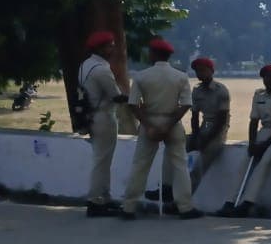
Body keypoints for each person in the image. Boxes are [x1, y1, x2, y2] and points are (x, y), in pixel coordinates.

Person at [119, 38, 202, 220]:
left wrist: (149, 126)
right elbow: (186, 104)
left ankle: (129, 206)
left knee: (140, 164)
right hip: (172, 122)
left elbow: (133, 104)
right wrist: (167, 125)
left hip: (149, 120)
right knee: (180, 165)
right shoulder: (180, 77)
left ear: (154, 54)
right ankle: (185, 207)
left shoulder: (141, 76)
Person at [147, 57, 229, 204]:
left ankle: (181, 200)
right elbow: (195, 116)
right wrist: (196, 136)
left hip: (218, 133)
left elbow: (222, 120)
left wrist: (206, 140)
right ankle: (166, 187)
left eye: (203, 70)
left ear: (212, 71)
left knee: (199, 167)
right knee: (172, 146)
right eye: (197, 71)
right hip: (204, 128)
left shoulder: (221, 91)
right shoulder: (197, 91)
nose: (200, 74)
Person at [217, 64, 271, 217]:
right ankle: (230, 202)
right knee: (244, 164)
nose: (268, 80)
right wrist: (252, 143)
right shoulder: (259, 95)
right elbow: (254, 121)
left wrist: (264, 145)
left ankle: (247, 203)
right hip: (263, 132)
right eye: (265, 77)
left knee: (264, 163)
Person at [80, 31, 128, 217]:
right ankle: (95, 201)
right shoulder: (101, 69)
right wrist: (136, 97)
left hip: (91, 115)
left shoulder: (85, 65)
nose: (113, 48)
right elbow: (115, 95)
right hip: (103, 116)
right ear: (100, 48)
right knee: (102, 161)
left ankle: (104, 198)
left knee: (102, 159)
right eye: (110, 45)